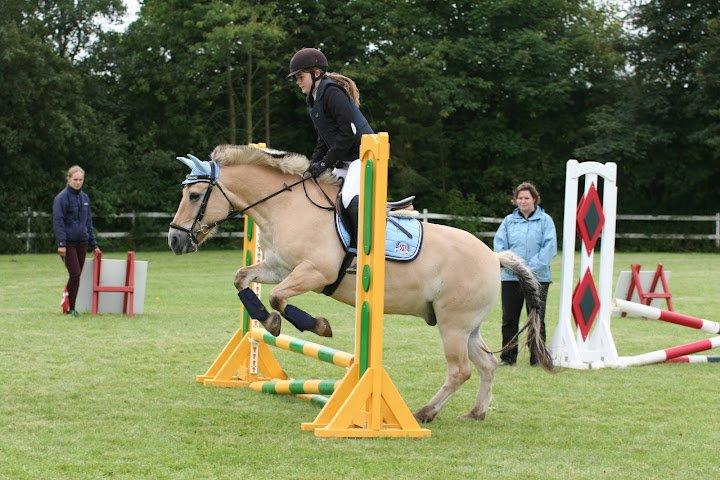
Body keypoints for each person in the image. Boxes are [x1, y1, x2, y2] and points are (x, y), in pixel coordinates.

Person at [287, 47, 374, 249]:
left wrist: (325, 163)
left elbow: (347, 134)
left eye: (300, 77)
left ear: (316, 73)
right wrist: (311, 165)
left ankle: (362, 247)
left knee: (348, 198)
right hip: (345, 161)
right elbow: (323, 140)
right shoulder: (314, 100)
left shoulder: (332, 92)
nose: (298, 82)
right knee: (322, 195)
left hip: (364, 159)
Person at [493, 181, 557, 366]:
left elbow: (549, 247)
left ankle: (536, 357)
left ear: (534, 199)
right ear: (515, 200)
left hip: (538, 278)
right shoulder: (508, 221)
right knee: (509, 319)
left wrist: (529, 269)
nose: (523, 201)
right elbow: (500, 246)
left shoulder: (546, 221)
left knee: (536, 317)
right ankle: (508, 357)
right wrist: (515, 267)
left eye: (526, 198)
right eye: (519, 198)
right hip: (511, 277)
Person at [53, 165, 101, 316]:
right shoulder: (61, 198)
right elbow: (58, 222)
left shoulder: (85, 198)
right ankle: (70, 308)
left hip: (82, 242)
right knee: (74, 274)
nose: (78, 182)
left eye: (81, 179)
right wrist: (61, 244)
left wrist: (94, 245)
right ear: (68, 179)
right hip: (67, 243)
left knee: (77, 275)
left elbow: (88, 223)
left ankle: (69, 306)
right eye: (75, 179)